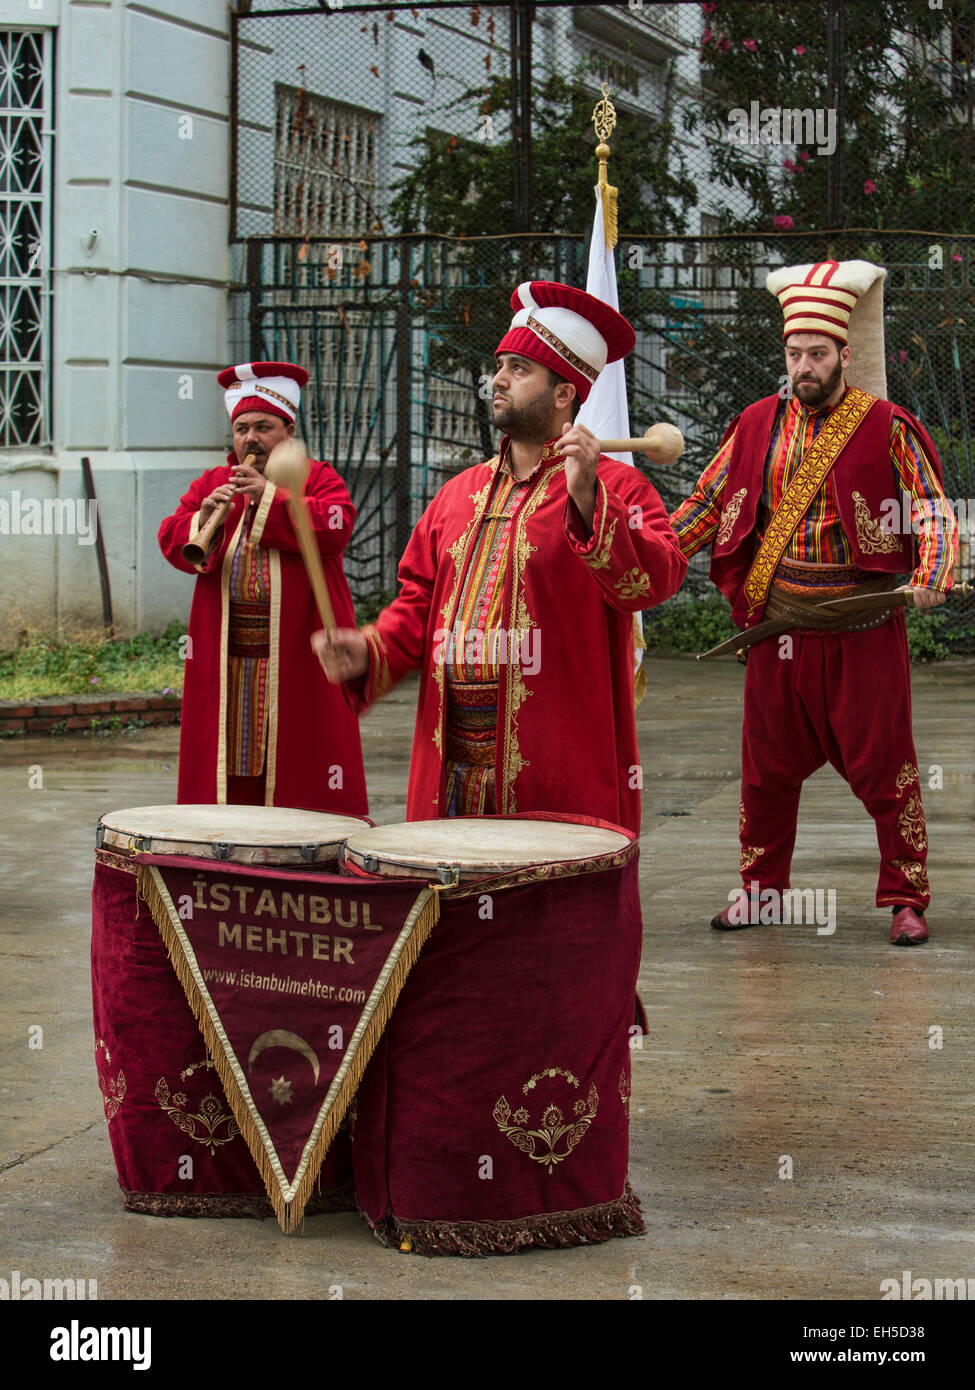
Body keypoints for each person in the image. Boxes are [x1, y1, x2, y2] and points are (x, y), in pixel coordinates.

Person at [312, 281, 687, 834]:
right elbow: (418, 605)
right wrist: (368, 649)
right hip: (452, 760)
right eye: (500, 366)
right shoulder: (457, 494)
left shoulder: (618, 487)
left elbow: (653, 583)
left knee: (544, 902)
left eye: (518, 369)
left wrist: (587, 499)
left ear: (563, 394)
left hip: (553, 757)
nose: (498, 380)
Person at [670, 259, 958, 945]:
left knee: (887, 768)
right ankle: (760, 892)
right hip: (779, 628)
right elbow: (706, 503)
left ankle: (904, 898)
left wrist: (932, 571)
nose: (803, 365)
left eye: (816, 354)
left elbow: (931, 509)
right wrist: (653, 554)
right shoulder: (753, 424)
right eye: (794, 353)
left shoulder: (886, 423)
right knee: (764, 773)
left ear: (843, 355)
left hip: (861, 625)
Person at [158, 360, 367, 814]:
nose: (250, 438)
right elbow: (171, 537)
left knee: (297, 751)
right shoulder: (214, 483)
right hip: (226, 655)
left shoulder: (317, 477)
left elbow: (337, 526)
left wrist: (268, 497)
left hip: (294, 655)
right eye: (241, 428)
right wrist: (202, 519)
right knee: (230, 752)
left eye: (263, 427)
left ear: (287, 432)